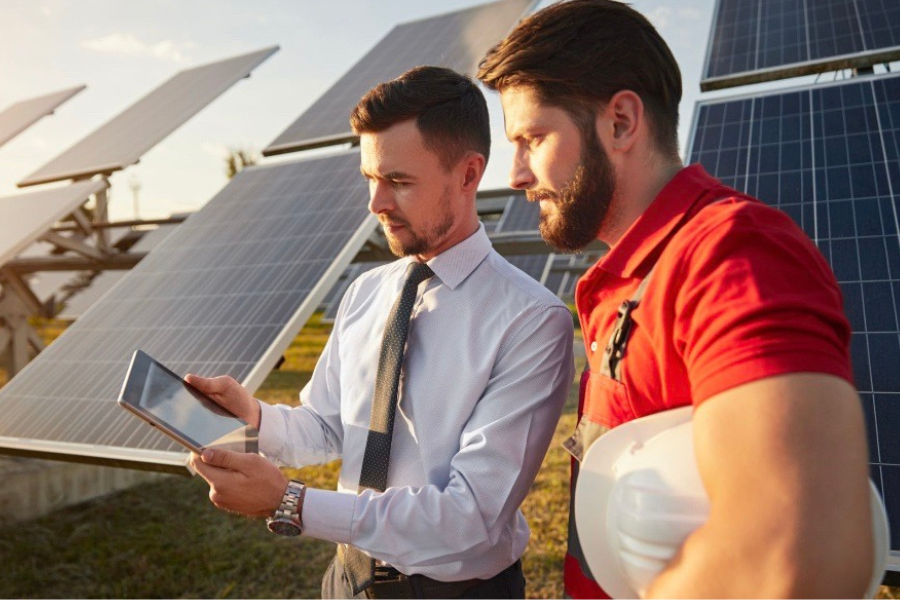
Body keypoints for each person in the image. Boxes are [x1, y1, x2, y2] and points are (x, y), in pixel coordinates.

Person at [477, 0, 875, 597]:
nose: (516, 174)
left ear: (620, 122)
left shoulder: (732, 255)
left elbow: (801, 554)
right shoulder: (631, 275)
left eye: (531, 138)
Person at [187, 65, 575, 599]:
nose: (376, 204)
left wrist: (292, 503)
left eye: (398, 181)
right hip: (346, 578)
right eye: (371, 178)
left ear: (468, 175)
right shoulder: (367, 291)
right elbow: (329, 425)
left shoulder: (531, 321)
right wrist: (254, 416)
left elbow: (470, 518)